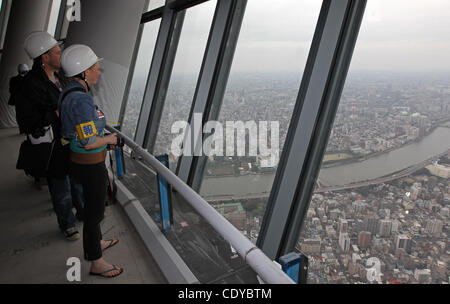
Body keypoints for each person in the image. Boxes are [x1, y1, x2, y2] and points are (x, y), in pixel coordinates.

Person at [60, 44, 123, 278]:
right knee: (94, 212)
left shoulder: (68, 93)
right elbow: (88, 141)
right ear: (84, 72)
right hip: (89, 164)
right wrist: (110, 138)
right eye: (96, 68)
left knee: (91, 207)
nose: (99, 72)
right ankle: (96, 262)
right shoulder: (81, 100)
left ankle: (97, 242)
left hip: (78, 161)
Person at [15, 31, 84, 241]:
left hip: (68, 137)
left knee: (77, 179)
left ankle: (81, 211)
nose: (60, 55)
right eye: (56, 52)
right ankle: (67, 224)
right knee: (60, 184)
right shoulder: (30, 86)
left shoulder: (60, 77)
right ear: (45, 58)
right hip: (53, 144)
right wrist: (55, 113)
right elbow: (26, 121)